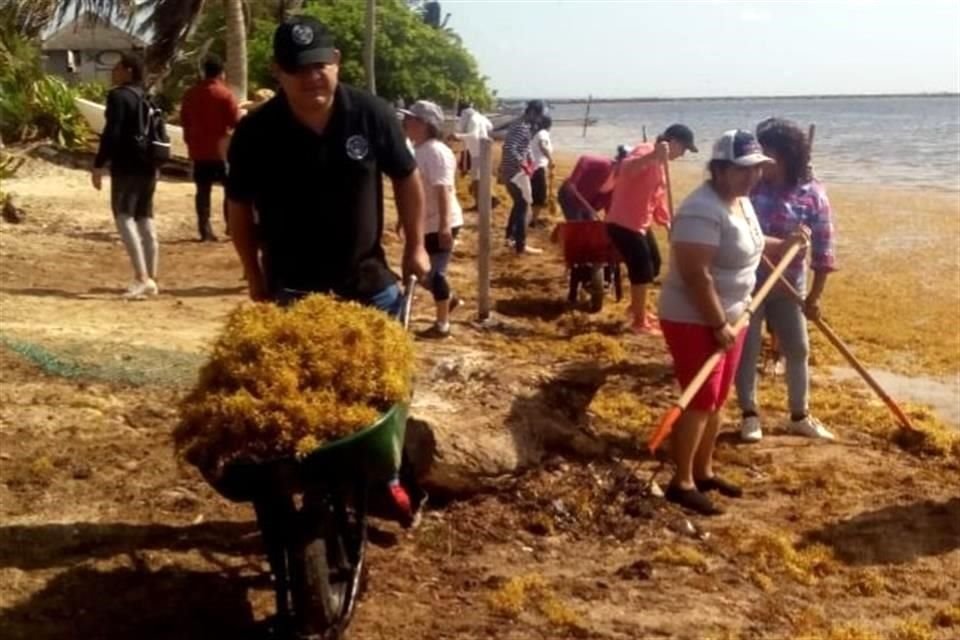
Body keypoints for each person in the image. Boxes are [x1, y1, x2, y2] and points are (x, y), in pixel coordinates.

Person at [224, 17, 430, 525]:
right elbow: (238, 211)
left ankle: (386, 477)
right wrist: (253, 274)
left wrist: (417, 246)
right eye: (298, 69)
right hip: (294, 289)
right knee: (301, 399)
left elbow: (406, 178)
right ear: (279, 71)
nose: (312, 77)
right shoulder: (256, 133)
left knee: (388, 388)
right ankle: (301, 481)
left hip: (368, 282)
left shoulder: (371, 115)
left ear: (335, 60)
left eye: (320, 64)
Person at [657, 129, 808, 515]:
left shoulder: (741, 203)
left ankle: (704, 472)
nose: (753, 176)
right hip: (695, 318)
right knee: (699, 399)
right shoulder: (700, 209)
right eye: (744, 169)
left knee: (719, 398)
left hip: (734, 314)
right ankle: (681, 481)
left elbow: (754, 245)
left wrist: (786, 242)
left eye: (758, 168)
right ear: (720, 169)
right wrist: (717, 323)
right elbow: (696, 274)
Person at [735, 119, 838, 443]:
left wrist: (814, 298)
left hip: (790, 289)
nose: (760, 161)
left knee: (798, 349)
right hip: (748, 285)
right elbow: (732, 229)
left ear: (786, 155)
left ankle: (799, 415)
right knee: (747, 351)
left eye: (767, 153)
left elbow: (823, 252)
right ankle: (749, 416)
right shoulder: (748, 187)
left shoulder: (812, 195)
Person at [604, 124, 698, 335]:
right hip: (622, 223)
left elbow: (657, 199)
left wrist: (667, 224)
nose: (682, 154)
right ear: (672, 142)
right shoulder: (646, 150)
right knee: (642, 270)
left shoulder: (662, 164)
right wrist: (653, 155)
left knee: (654, 265)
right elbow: (626, 169)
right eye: (683, 149)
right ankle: (639, 322)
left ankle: (635, 308)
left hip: (639, 224)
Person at [92, 53, 160, 299]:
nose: (114, 71)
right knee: (145, 217)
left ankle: (141, 278)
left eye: (117, 67)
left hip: (127, 165)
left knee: (124, 217)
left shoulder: (119, 96)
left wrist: (99, 164)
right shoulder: (148, 98)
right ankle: (152, 276)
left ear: (129, 70)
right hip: (151, 165)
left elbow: (112, 132)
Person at [401, 100, 464, 339]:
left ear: (425, 124)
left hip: (441, 221)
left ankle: (442, 326)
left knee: (435, 274)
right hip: (424, 221)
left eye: (411, 119)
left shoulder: (437, 152)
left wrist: (444, 226)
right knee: (419, 271)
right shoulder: (417, 149)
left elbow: (443, 190)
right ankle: (449, 300)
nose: (406, 123)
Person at [180, 55, 241, 241]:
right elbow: (235, 121)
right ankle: (231, 226)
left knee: (202, 191)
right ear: (221, 72)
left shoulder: (190, 94)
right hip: (222, 152)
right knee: (230, 190)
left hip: (199, 150)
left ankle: (204, 230)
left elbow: (184, 120)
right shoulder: (225, 94)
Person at [499, 100, 546, 255]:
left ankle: (510, 238)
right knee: (524, 206)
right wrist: (523, 164)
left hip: (512, 171)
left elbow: (525, 147)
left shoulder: (523, 125)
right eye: (539, 115)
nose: (539, 119)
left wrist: (531, 161)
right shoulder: (520, 126)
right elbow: (509, 147)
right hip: (515, 172)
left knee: (519, 204)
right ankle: (520, 245)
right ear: (532, 112)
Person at [453, 101, 493, 210]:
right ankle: (483, 202)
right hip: (479, 152)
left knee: (477, 180)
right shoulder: (480, 117)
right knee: (479, 178)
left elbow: (473, 135)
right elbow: (490, 126)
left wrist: (458, 136)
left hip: (478, 153)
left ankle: (482, 203)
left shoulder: (473, 119)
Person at [557, 153, 615, 220]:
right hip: (570, 197)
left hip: (587, 206)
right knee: (577, 225)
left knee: (589, 226)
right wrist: (573, 181)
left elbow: (609, 205)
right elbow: (585, 159)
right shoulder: (606, 164)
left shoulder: (621, 184)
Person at [529, 115, 554, 227]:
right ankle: (533, 221)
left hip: (535, 168)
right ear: (550, 125)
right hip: (537, 168)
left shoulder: (538, 133)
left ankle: (532, 219)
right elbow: (543, 146)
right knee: (539, 197)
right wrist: (551, 160)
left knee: (535, 196)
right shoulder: (543, 133)